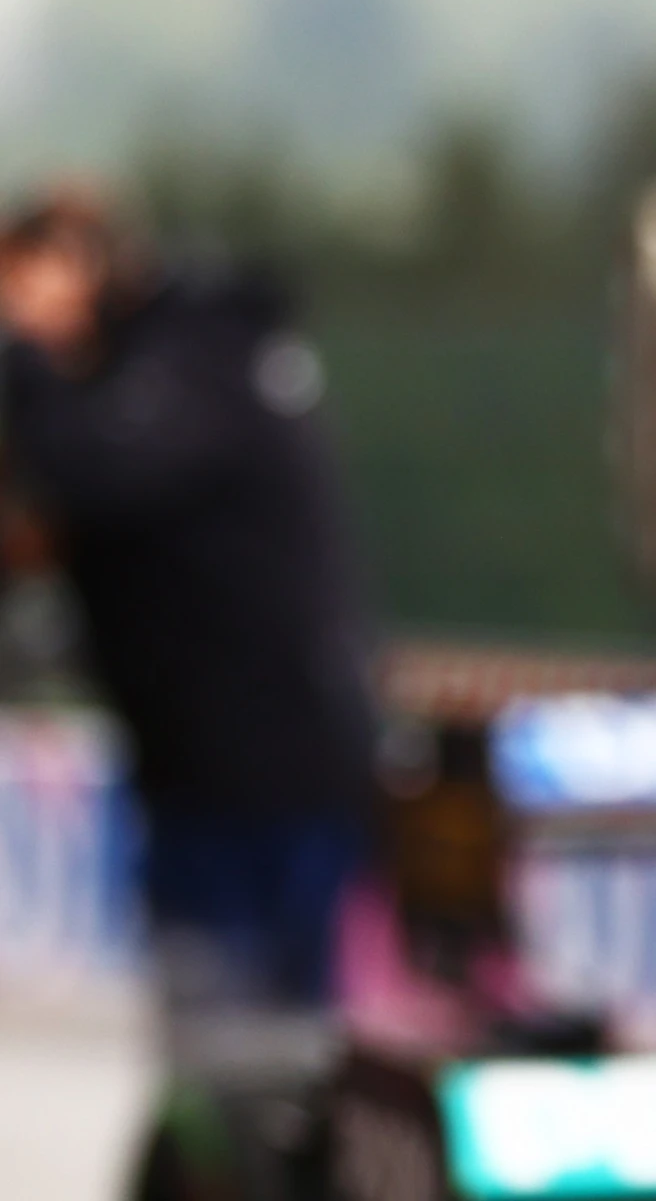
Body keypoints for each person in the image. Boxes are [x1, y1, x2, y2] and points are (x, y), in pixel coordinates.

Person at [0, 186, 380, 1200]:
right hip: (201, 775)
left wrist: (26, 354)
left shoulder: (196, 354)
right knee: (220, 1075)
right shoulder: (161, 372)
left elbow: (95, 472)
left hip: (269, 776)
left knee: (264, 1075)